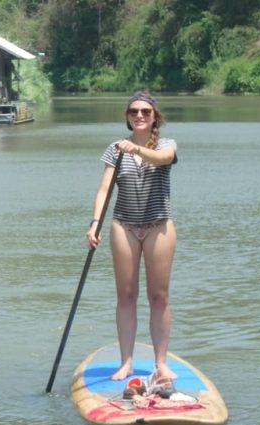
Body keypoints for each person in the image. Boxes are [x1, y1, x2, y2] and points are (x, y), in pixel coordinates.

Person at [86, 90, 178, 382]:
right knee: (126, 296)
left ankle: (161, 363)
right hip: (123, 225)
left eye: (145, 112)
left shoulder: (166, 144)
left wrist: (136, 149)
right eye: (133, 111)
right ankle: (126, 362)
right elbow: (103, 190)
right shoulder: (115, 149)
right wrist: (94, 223)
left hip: (158, 225)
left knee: (158, 296)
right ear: (127, 117)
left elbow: (163, 159)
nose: (139, 115)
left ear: (155, 118)